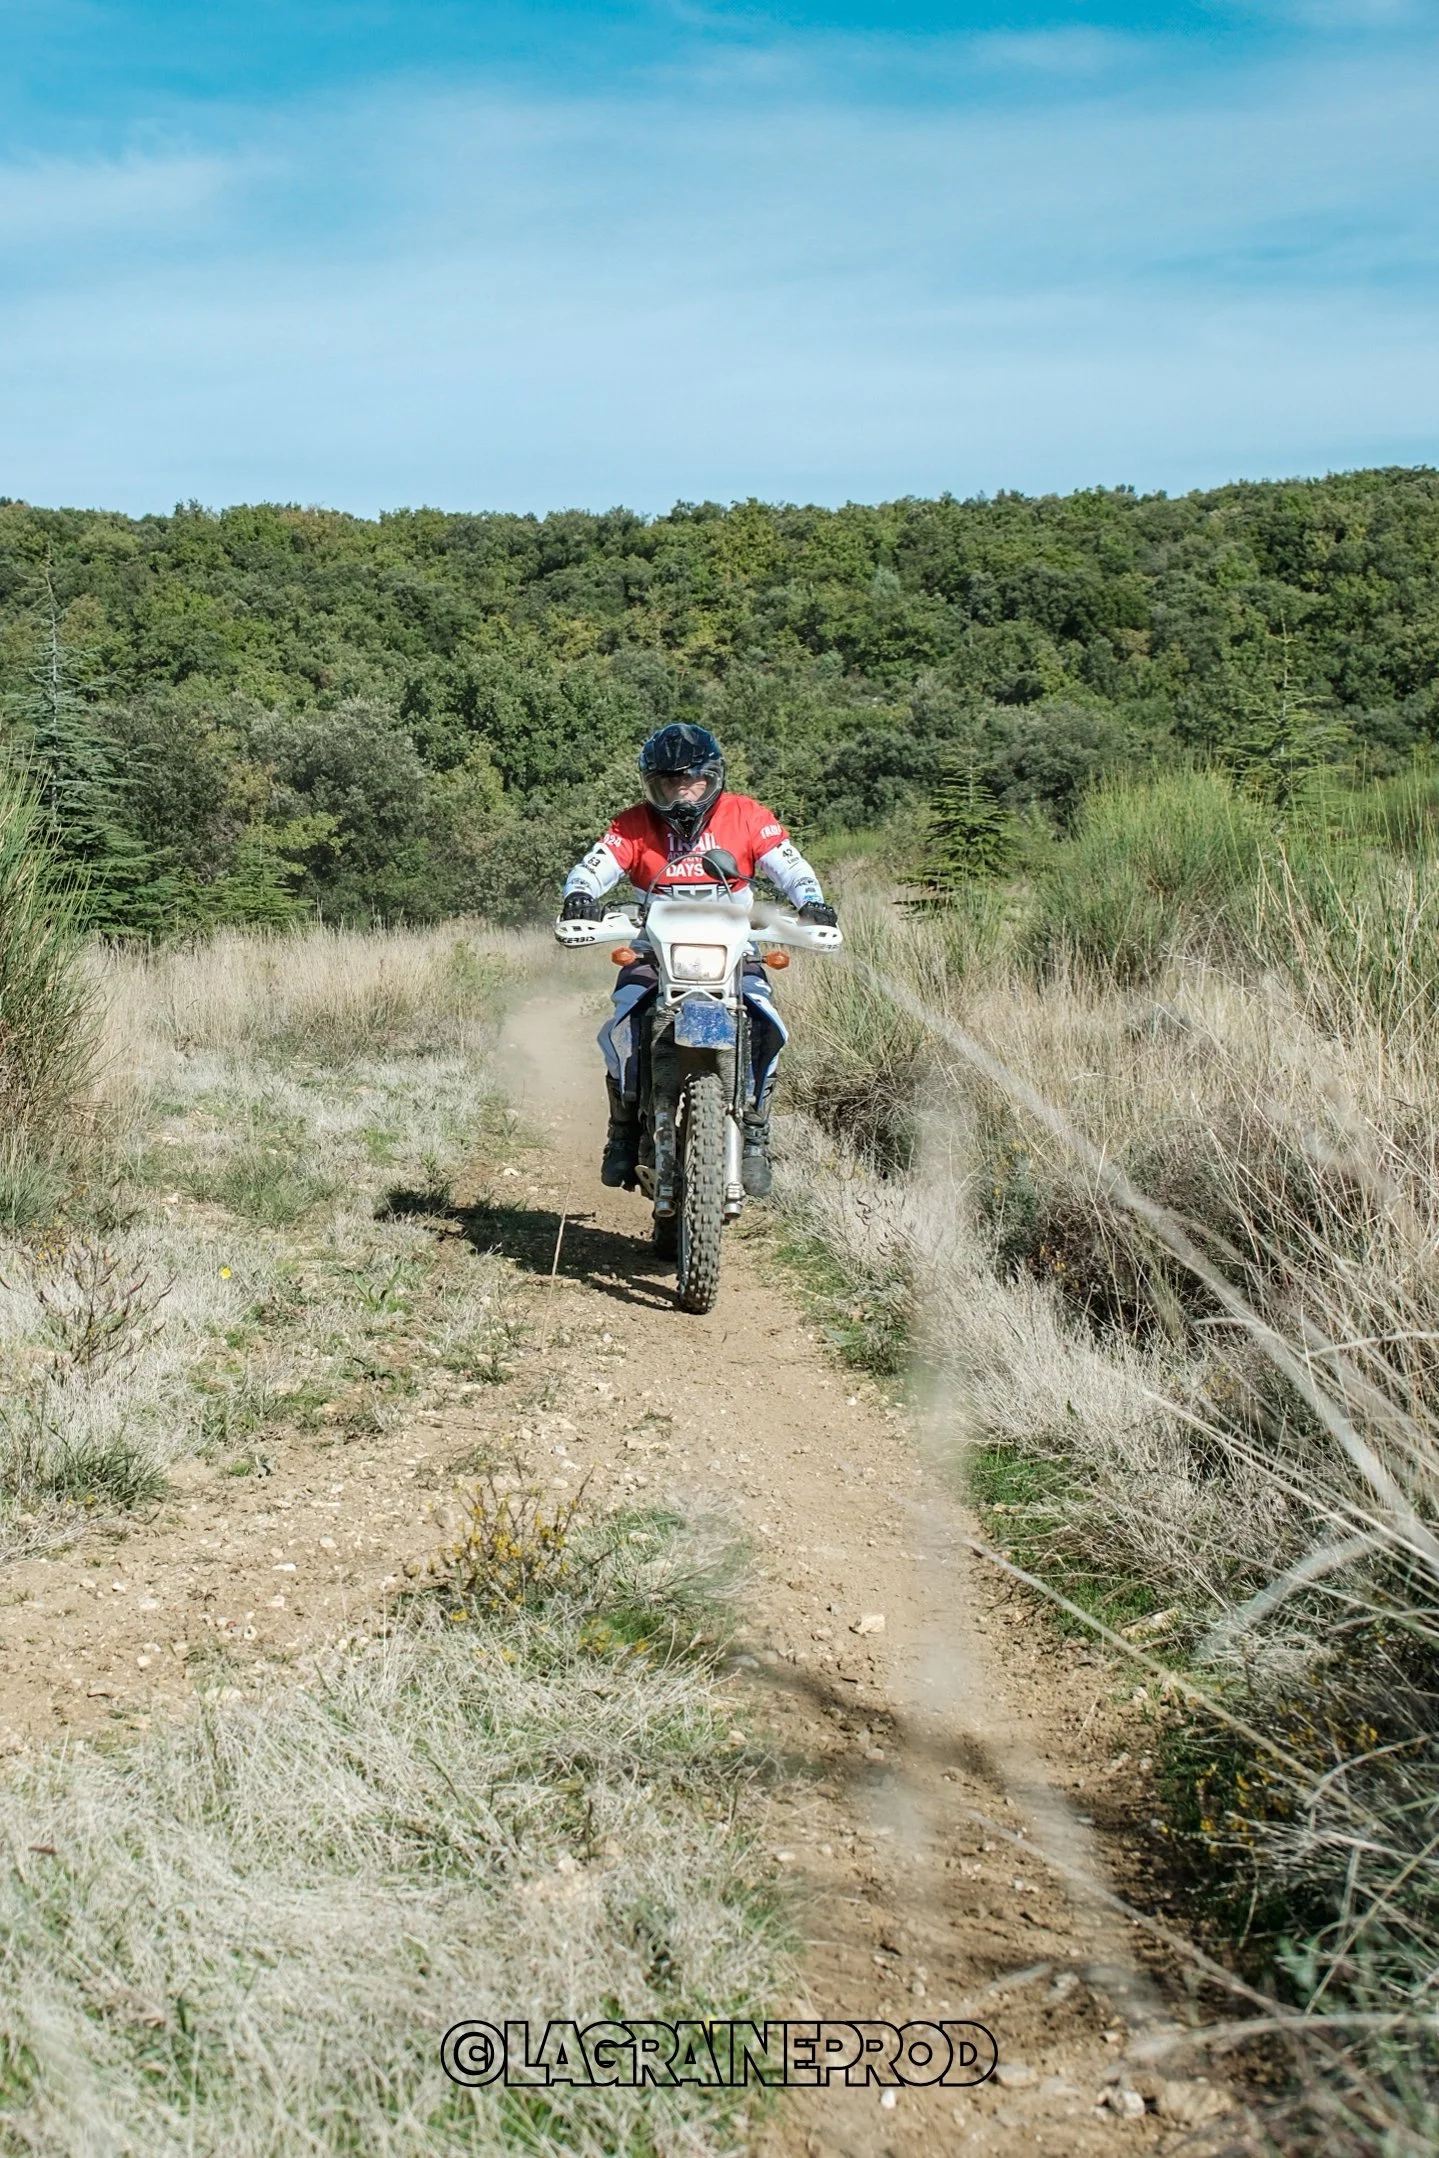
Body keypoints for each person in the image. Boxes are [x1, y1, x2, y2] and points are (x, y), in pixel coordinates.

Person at [559, 721, 837, 1197]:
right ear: (653, 785)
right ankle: (623, 1127)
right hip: (654, 951)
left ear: (713, 778)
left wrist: (811, 900)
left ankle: (754, 1132)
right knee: (623, 1021)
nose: (684, 794)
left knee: (765, 1019)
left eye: (694, 781)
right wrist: (580, 894)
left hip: (733, 953)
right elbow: (594, 865)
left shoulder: (747, 816)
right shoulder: (633, 824)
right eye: (670, 783)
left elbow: (790, 865)